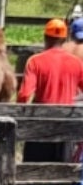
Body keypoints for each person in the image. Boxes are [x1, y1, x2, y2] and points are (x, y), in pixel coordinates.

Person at [17, 18, 83, 162]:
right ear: (65, 38)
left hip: (41, 121)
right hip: (67, 122)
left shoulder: (35, 61)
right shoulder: (76, 63)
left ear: (46, 37)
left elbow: (24, 94)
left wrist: (21, 116)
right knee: (63, 172)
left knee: (33, 170)